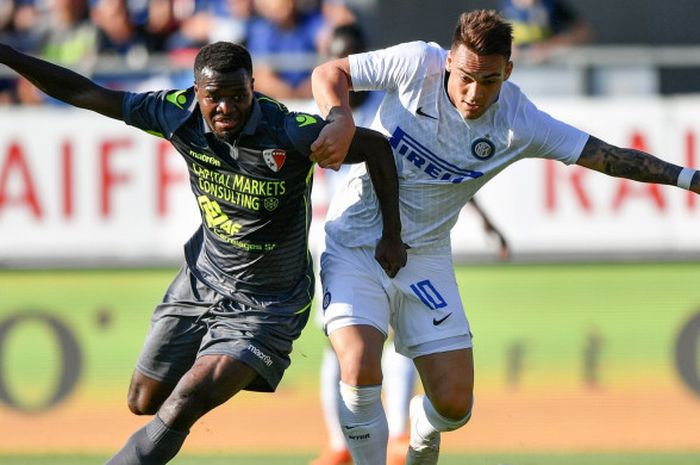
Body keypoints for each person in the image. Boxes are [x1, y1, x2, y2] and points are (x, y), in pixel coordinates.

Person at [308, 8, 700, 465]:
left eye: (490, 81)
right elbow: (329, 70)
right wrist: (340, 118)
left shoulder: (519, 122)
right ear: (449, 61)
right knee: (358, 366)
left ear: (508, 72)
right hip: (354, 241)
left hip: (425, 256)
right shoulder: (416, 63)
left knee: (455, 406)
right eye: (466, 78)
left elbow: (606, 156)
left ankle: (422, 426)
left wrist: (689, 178)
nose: (475, 94)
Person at [0, 40, 407, 464]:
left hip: (270, 303)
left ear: (253, 86)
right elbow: (85, 93)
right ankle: (219, 360)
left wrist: (391, 235)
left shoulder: (290, 131)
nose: (227, 108)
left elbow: (376, 148)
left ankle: (227, 362)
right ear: (197, 91)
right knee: (143, 400)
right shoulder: (175, 114)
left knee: (186, 399)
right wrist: (8, 55)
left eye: (238, 95)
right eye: (215, 97)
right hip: (202, 280)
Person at [309, 22, 510, 465]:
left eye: (355, 52)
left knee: (402, 339)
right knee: (349, 351)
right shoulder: (322, 114)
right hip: (342, 242)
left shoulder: (390, 107)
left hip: (399, 245)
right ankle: (340, 441)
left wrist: (486, 222)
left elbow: (440, 178)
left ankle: (399, 429)